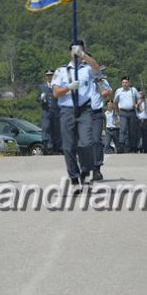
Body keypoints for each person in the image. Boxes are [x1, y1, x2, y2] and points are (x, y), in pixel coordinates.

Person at [52, 40, 100, 189]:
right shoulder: (61, 71)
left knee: (85, 143)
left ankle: (85, 173)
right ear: (69, 52)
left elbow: (97, 68)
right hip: (67, 110)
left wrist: (84, 55)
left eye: (79, 51)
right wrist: (68, 88)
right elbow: (56, 93)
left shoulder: (87, 69)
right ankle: (74, 177)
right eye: (74, 51)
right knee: (68, 147)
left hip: (84, 110)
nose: (76, 54)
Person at [90, 66, 112, 181]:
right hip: (82, 114)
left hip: (96, 114)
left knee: (96, 140)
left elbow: (107, 94)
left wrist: (99, 83)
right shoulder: (78, 78)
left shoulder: (101, 79)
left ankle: (96, 168)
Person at [113, 77, 139, 154]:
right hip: (123, 112)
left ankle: (133, 147)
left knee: (132, 130)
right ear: (121, 83)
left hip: (132, 112)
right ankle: (121, 146)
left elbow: (140, 98)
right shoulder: (118, 91)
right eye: (123, 82)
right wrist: (117, 112)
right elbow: (115, 102)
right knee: (123, 129)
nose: (125, 84)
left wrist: (137, 104)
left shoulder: (133, 90)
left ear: (129, 83)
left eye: (126, 82)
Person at [38, 69, 61, 155]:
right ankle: (48, 147)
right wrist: (41, 99)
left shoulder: (57, 86)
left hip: (56, 111)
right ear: (45, 76)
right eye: (48, 75)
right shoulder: (42, 86)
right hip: (46, 111)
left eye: (51, 75)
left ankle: (56, 147)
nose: (49, 77)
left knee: (56, 130)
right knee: (46, 128)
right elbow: (38, 99)